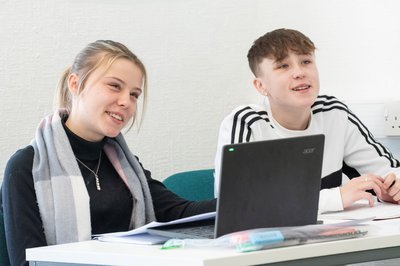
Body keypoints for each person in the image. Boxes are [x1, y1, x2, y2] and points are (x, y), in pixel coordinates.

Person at [0, 40, 216, 266]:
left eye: (134, 94)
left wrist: (246, 202)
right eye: (114, 86)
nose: (126, 102)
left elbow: (180, 212)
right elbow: (26, 262)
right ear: (75, 84)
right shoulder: (26, 167)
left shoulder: (127, 166)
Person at [214, 28, 400, 214]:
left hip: (335, 235)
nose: (299, 72)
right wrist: (336, 198)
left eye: (306, 61)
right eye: (283, 66)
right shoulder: (246, 123)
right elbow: (236, 205)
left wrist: (390, 190)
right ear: (261, 86)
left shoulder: (334, 112)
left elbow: (390, 171)